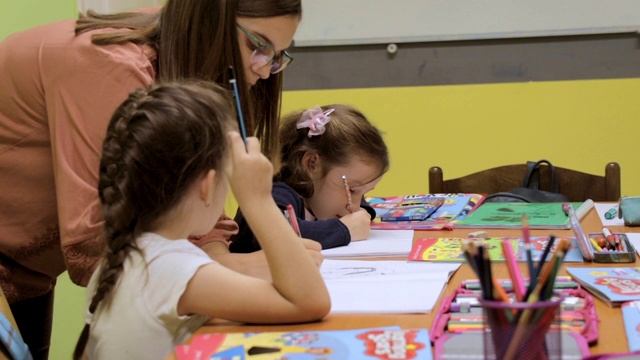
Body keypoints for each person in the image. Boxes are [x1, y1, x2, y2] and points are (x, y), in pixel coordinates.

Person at [0, 1, 314, 358]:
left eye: (276, 55)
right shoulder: (113, 65)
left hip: (30, 269)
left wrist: (218, 261)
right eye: (257, 46)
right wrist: (225, 265)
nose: (265, 70)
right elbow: (91, 236)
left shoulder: (172, 45)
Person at [72, 81, 330, 360]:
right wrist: (258, 199)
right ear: (207, 185)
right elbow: (311, 302)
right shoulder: (170, 266)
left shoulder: (127, 255)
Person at [230, 104, 390, 252]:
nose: (354, 206)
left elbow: (357, 204)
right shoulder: (277, 192)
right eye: (352, 190)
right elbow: (272, 236)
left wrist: (364, 212)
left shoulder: (318, 197)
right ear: (312, 163)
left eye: (363, 193)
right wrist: (343, 230)